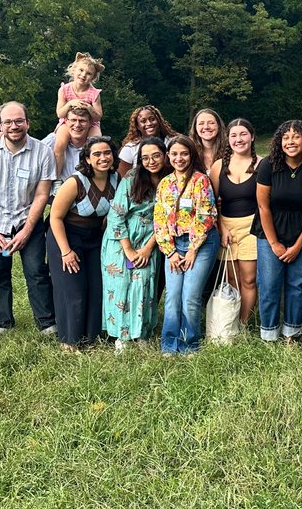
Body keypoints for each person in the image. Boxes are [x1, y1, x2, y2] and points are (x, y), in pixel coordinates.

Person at [0, 102, 57, 337]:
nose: (14, 126)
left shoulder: (43, 152)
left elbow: (42, 194)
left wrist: (27, 230)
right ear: (0, 125)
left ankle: (46, 322)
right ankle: (2, 322)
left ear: (28, 123)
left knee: (37, 272)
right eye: (8, 122)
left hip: (28, 221)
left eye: (19, 120)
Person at [253, 121, 302, 344]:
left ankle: (292, 332)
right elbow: (263, 206)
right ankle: (269, 333)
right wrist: (274, 243)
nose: (291, 141)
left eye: (296, 137)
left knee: (298, 282)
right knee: (269, 283)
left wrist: (298, 246)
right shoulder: (268, 165)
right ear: (279, 142)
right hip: (270, 231)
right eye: (286, 137)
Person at [48, 136, 118, 352]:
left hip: (95, 237)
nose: (103, 158)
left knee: (96, 286)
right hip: (66, 236)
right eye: (97, 154)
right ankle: (69, 341)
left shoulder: (117, 180)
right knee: (73, 289)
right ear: (87, 159)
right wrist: (66, 251)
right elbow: (55, 218)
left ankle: (90, 337)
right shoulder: (75, 182)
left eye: (107, 153)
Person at [153, 135, 220, 356]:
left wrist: (192, 249)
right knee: (172, 297)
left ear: (191, 155)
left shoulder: (200, 180)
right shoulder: (165, 183)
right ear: (168, 156)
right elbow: (159, 219)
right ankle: (170, 345)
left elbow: (206, 214)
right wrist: (170, 251)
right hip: (173, 245)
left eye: (184, 153)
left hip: (200, 245)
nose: (179, 158)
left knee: (190, 296)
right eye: (174, 154)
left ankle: (190, 344)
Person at [102, 137, 169, 351]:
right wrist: (129, 249)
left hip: (151, 241)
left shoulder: (171, 181)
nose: (151, 161)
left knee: (145, 287)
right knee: (120, 287)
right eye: (145, 157)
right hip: (122, 240)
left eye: (156, 155)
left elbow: (167, 219)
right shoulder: (132, 178)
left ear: (165, 155)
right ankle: (121, 336)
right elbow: (116, 216)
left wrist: (149, 247)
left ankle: (142, 334)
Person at [208, 118, 260, 325]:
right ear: (228, 139)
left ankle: (244, 323)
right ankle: (230, 321)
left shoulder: (263, 164)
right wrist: (221, 228)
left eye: (243, 134)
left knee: (248, 279)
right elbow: (211, 203)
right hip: (227, 226)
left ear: (252, 136)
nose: (239, 139)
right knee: (232, 279)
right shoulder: (219, 166)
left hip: (252, 227)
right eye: (234, 135)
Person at [52, 52, 104, 174]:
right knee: (59, 145)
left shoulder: (94, 93)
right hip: (67, 122)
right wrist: (70, 103)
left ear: (93, 77)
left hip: (90, 124)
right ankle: (56, 177)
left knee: (96, 144)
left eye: (88, 73)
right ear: (74, 70)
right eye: (81, 70)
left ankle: (92, 173)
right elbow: (60, 113)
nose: (83, 75)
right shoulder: (64, 89)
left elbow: (98, 116)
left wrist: (90, 108)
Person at [116, 105, 177, 177]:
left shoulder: (173, 143)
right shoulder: (130, 149)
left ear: (159, 121)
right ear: (137, 126)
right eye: (143, 121)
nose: (149, 123)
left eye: (152, 119)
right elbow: (123, 179)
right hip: (140, 187)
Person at [42, 105, 93, 192]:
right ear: (65, 121)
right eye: (73, 120)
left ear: (90, 123)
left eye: (82, 121)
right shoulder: (52, 141)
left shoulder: (98, 146)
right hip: (56, 195)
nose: (77, 125)